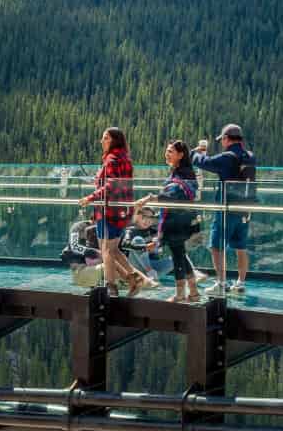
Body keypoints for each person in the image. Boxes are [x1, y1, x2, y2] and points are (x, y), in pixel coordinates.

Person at [83, 126, 153, 296]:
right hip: (121, 211)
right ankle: (134, 280)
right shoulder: (125, 159)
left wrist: (91, 197)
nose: (102, 141)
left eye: (106, 138)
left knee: (106, 250)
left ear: (114, 141)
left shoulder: (111, 160)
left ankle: (111, 287)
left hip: (108, 212)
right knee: (113, 250)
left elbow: (110, 185)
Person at [192, 124, 256, 295]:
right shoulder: (249, 156)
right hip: (244, 209)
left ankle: (221, 283)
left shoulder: (228, 156)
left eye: (222, 140)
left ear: (227, 139)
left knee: (216, 246)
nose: (222, 143)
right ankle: (240, 283)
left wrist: (194, 153)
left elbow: (205, 163)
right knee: (240, 247)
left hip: (226, 208)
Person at [136, 139, 202, 302]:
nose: (167, 154)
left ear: (180, 155)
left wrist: (151, 197)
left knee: (178, 255)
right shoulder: (183, 172)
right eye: (167, 151)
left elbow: (173, 196)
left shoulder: (181, 174)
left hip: (176, 222)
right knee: (181, 255)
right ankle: (193, 292)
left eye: (171, 151)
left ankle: (180, 294)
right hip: (181, 220)